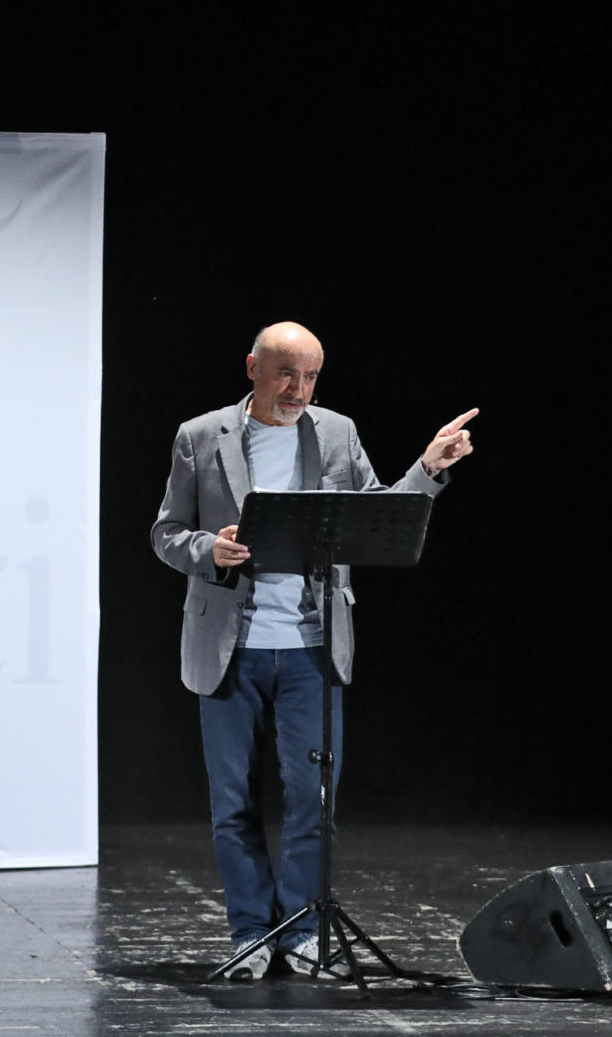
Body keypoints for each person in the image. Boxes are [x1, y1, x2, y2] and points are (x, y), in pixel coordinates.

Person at [149, 321, 476, 979]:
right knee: (233, 803)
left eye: (310, 377)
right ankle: (250, 932)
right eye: (284, 374)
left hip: (312, 648)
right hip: (229, 649)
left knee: (313, 799)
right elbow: (165, 532)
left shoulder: (336, 433)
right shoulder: (199, 435)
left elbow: (378, 515)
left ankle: (301, 928)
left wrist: (428, 470)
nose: (298, 389)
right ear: (252, 367)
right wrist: (207, 551)